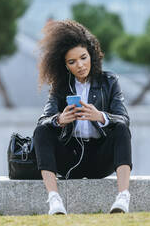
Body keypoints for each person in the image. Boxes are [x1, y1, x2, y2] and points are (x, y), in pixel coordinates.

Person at [33, 19, 132, 215]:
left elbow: (124, 119)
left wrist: (100, 116)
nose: (80, 65)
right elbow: (43, 120)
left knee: (121, 129)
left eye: (83, 58)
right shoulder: (60, 86)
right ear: (65, 66)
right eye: (72, 62)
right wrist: (60, 120)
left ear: (92, 55)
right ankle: (54, 200)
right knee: (41, 131)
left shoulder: (109, 81)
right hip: (70, 158)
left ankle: (123, 198)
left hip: (100, 159)